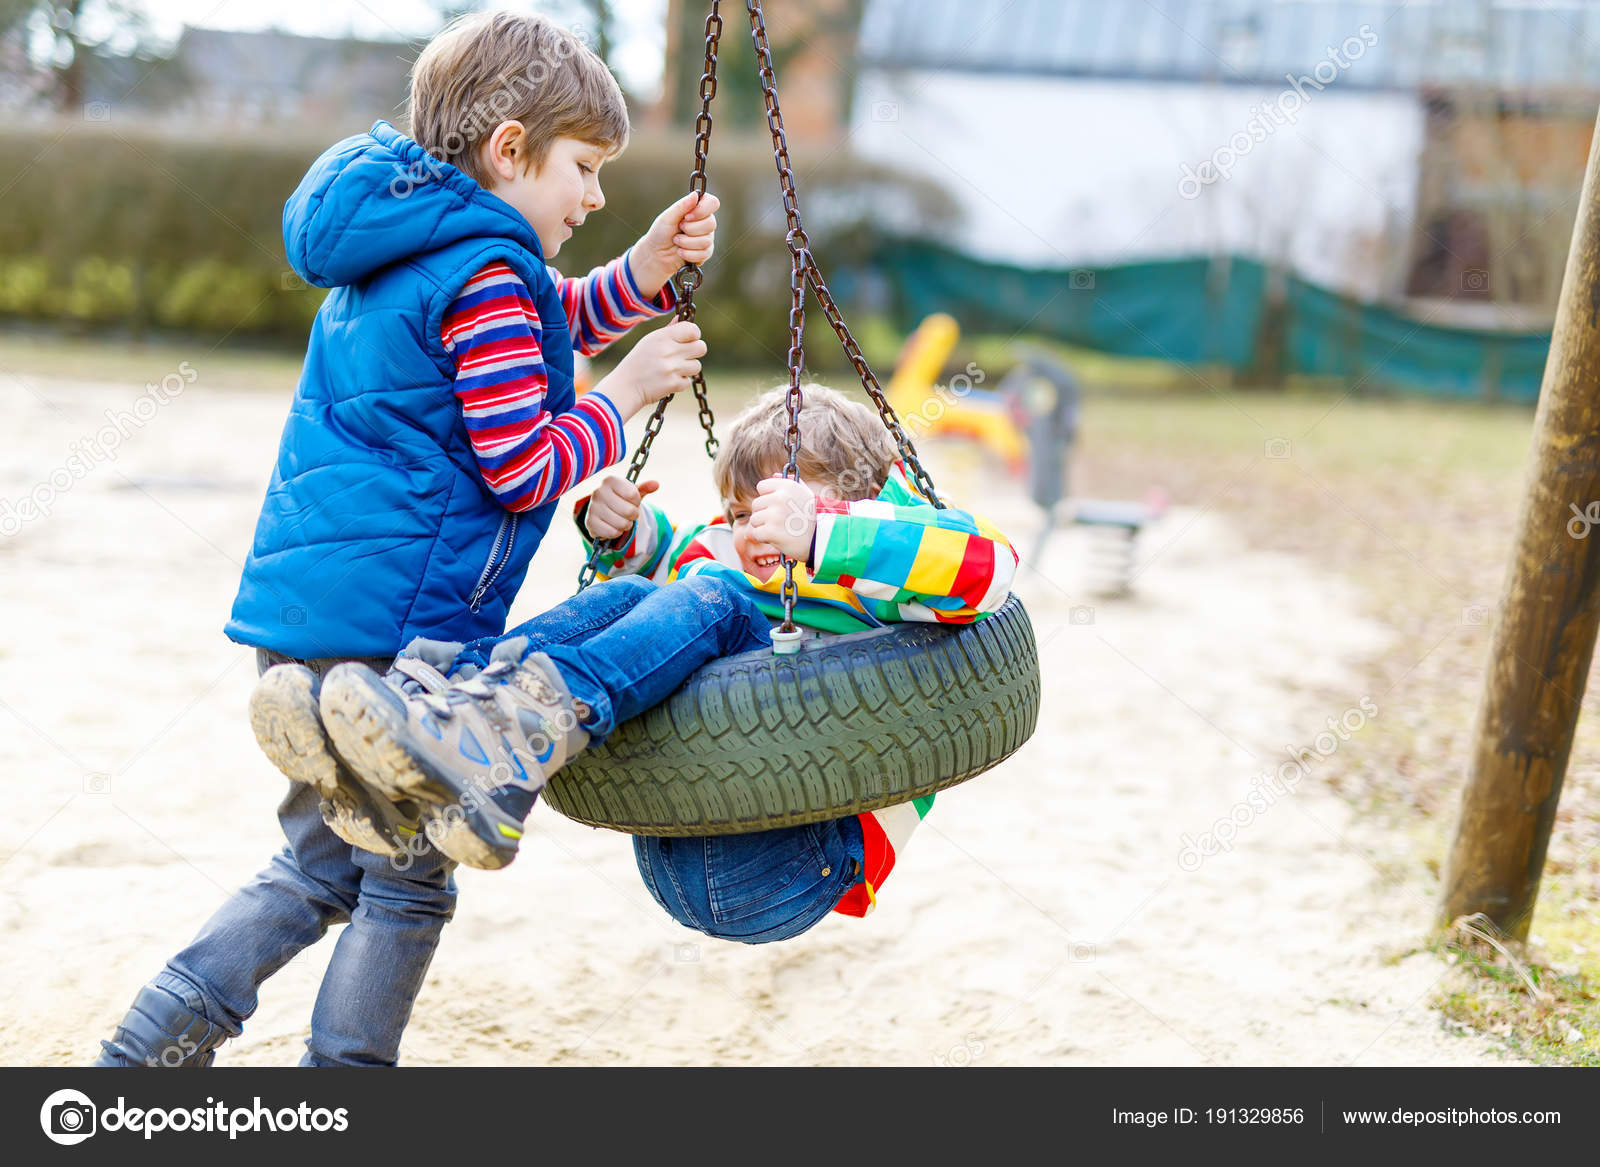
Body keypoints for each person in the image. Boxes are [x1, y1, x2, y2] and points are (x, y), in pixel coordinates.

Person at [93, 10, 717, 1068]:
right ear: (508, 148)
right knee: (407, 881)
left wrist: (643, 271)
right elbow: (522, 462)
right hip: (406, 643)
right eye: (582, 166)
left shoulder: (411, 249)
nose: (596, 195)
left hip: (307, 626)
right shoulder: (486, 276)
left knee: (317, 863)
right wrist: (619, 397)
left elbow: (535, 328)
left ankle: (143, 1053)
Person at [317, 384, 1018, 944]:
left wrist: (823, 534)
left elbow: (992, 571)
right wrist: (622, 529)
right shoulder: (734, 566)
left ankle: (518, 732)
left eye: (782, 507)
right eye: (741, 513)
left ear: (860, 501)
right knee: (634, 593)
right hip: (679, 847)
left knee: (712, 599)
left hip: (799, 861)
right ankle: (448, 702)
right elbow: (680, 558)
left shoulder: (896, 578)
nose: (757, 530)